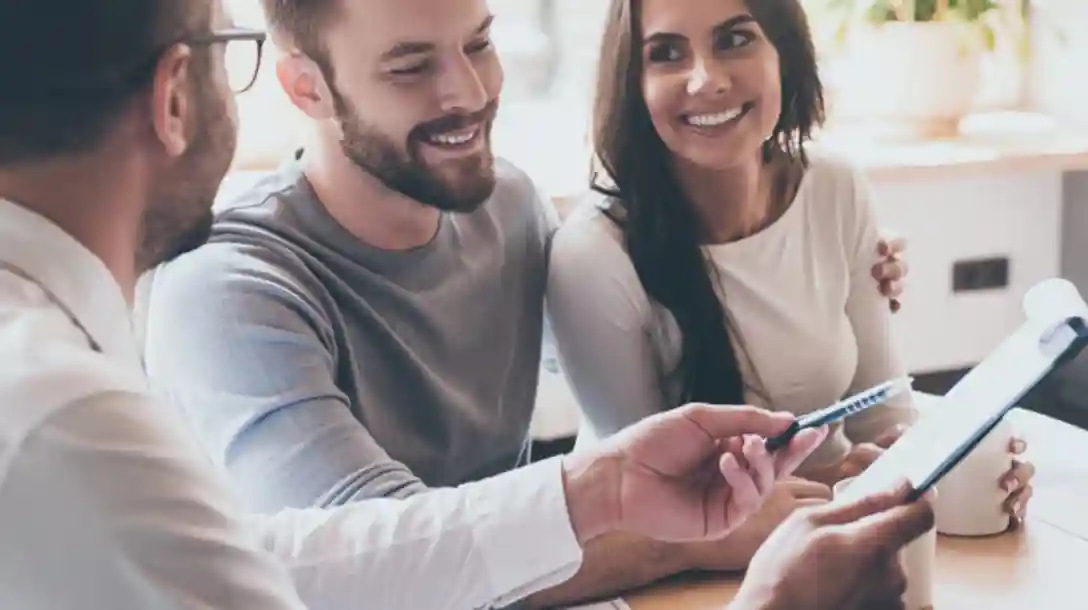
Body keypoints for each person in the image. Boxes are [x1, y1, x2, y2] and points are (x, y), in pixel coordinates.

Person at [0, 1, 937, 609]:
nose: (470, 92)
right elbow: (368, 574)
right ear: (297, 86)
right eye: (411, 66)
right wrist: (709, 560)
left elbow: (300, 558)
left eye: (481, 44)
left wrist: (837, 259)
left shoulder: (507, 204)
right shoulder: (141, 358)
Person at [545, 0, 1036, 571]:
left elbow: (887, 424)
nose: (706, 79)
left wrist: (960, 472)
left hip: (831, 545)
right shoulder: (593, 258)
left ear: (786, 51)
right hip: (665, 581)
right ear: (633, 83)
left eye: (734, 39)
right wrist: (837, 486)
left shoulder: (834, 187)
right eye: (667, 53)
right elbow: (648, 512)